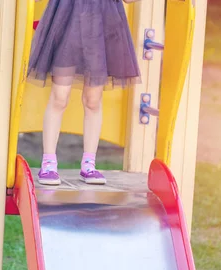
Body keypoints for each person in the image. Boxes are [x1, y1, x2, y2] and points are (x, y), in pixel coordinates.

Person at [28, 0, 141, 185]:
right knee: (60, 97)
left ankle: (89, 164)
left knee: (93, 100)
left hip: (101, 23)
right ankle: (48, 163)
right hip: (69, 20)